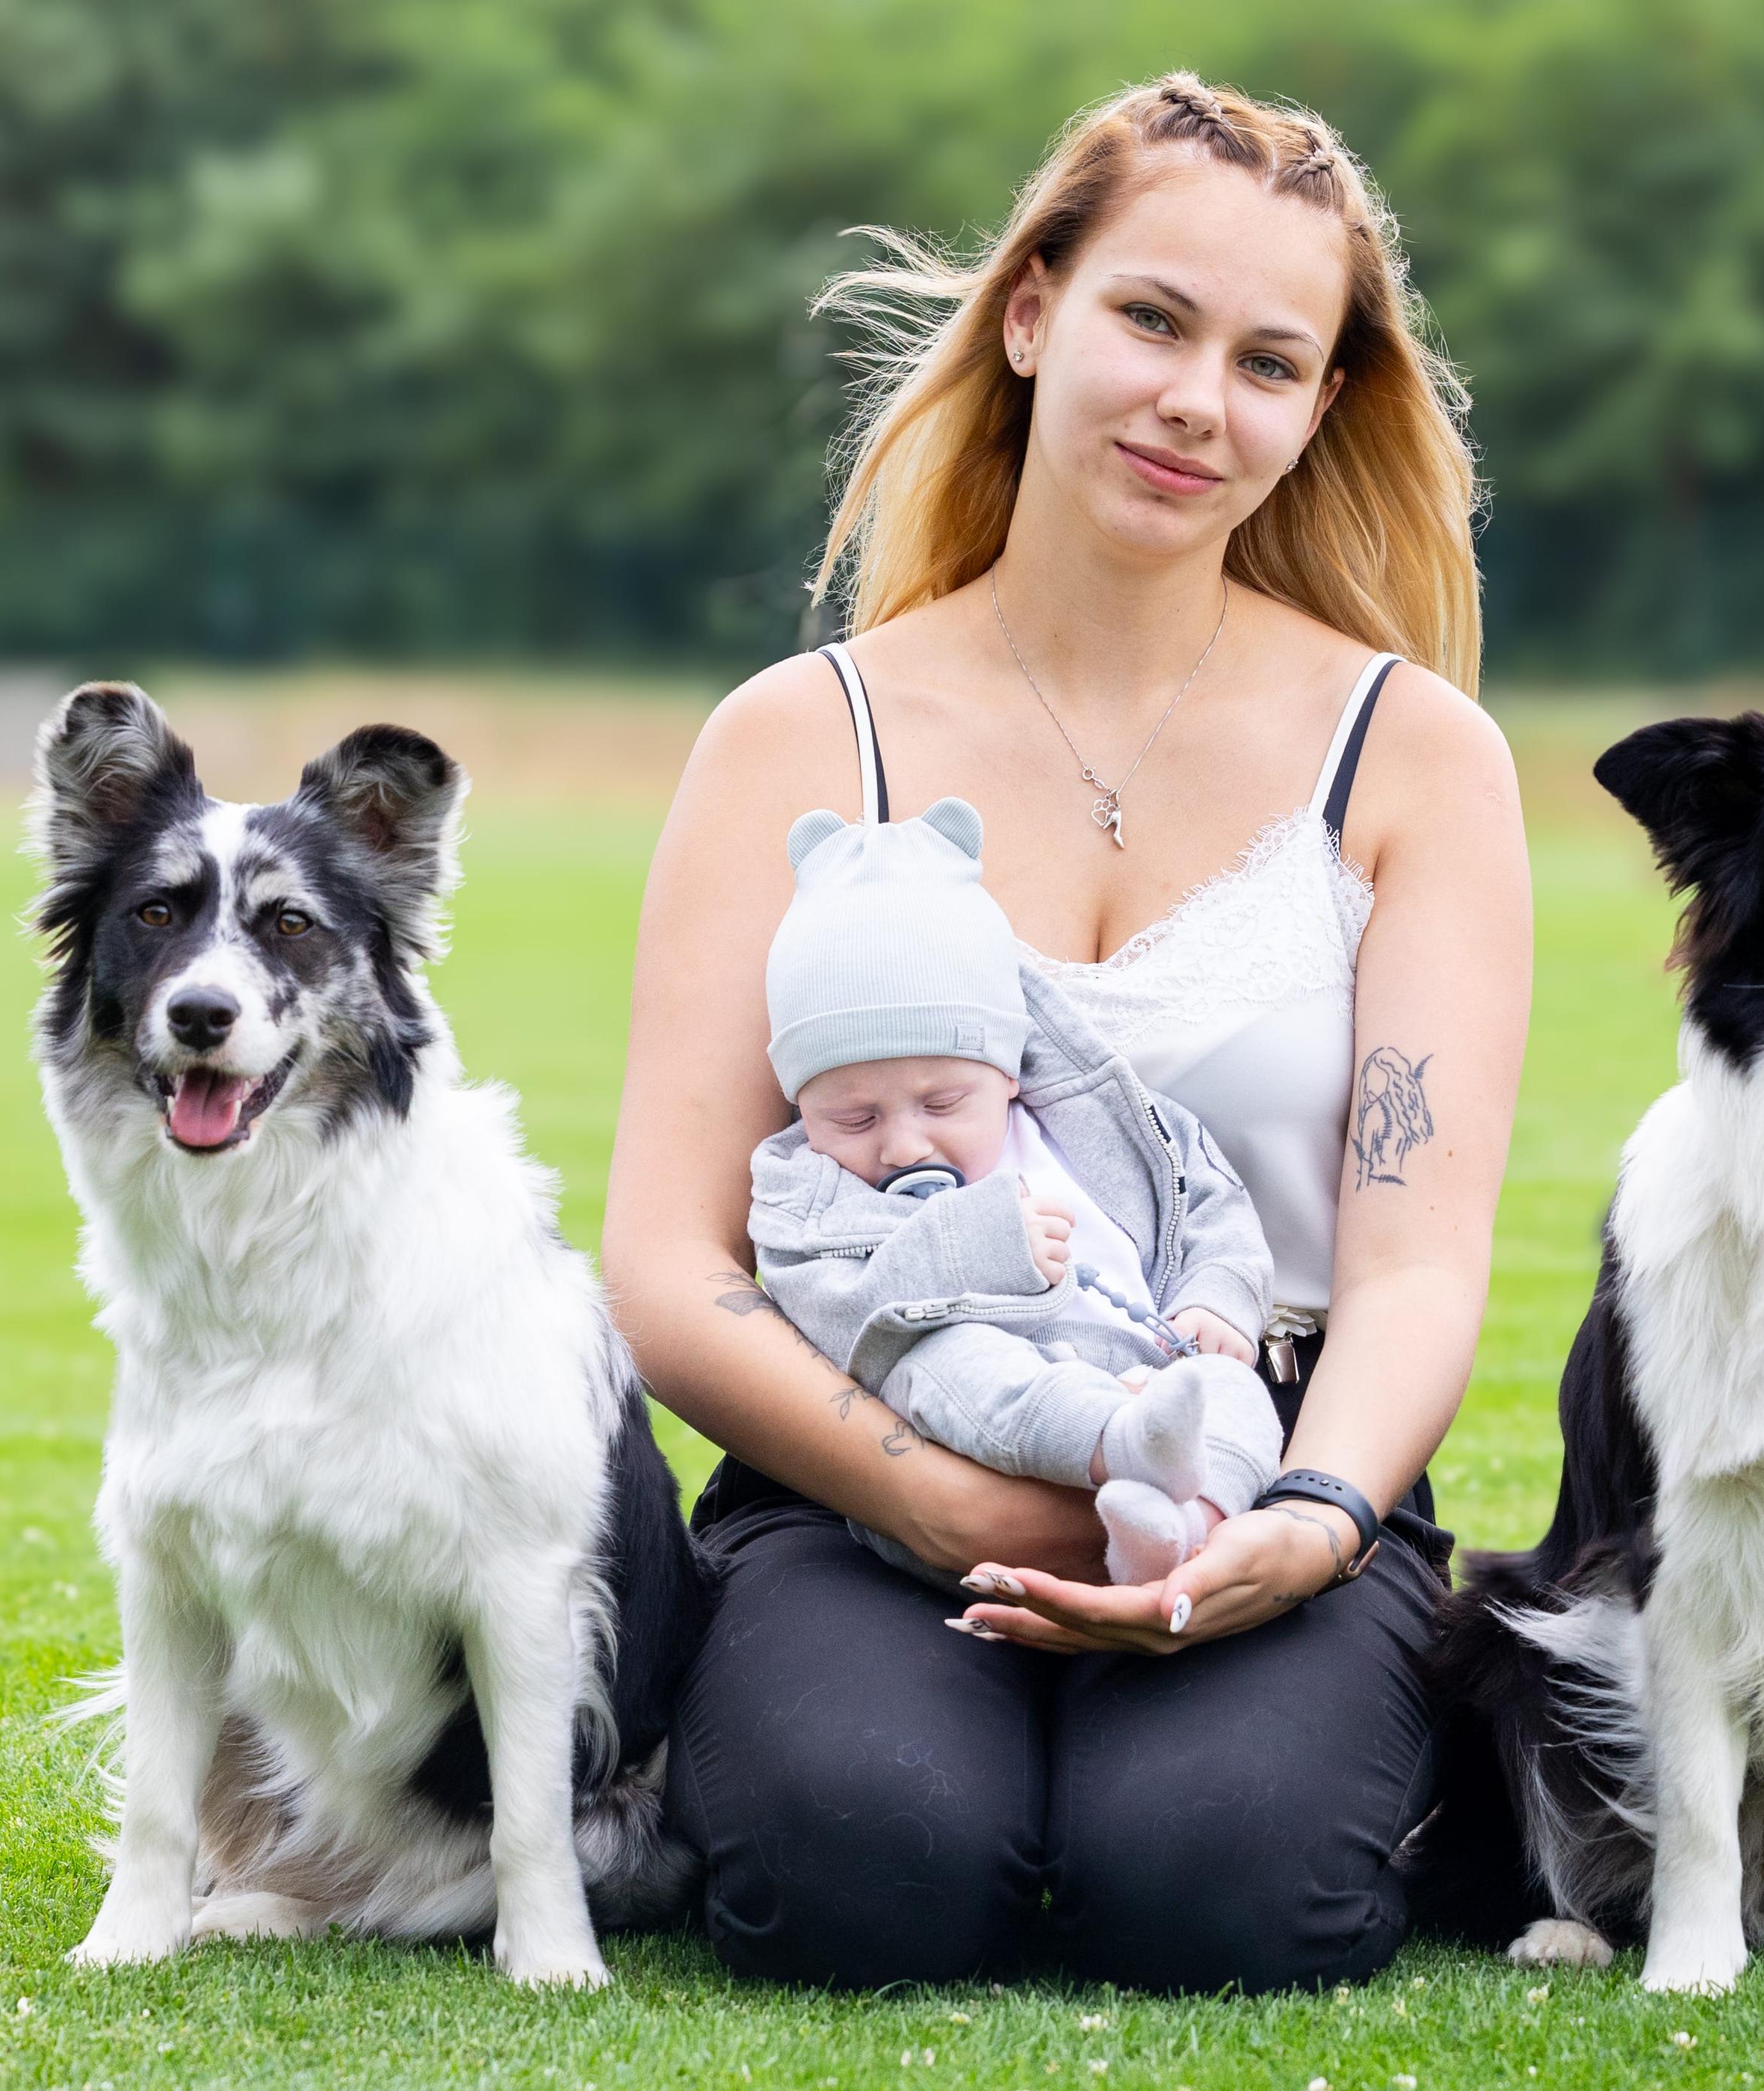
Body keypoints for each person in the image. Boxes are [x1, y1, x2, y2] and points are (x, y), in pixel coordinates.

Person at [604, 70, 1532, 1990]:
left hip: (1252, 1458)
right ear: (1032, 314)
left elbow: (1417, 1262)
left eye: (1272, 361)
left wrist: (1313, 1513)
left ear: (1321, 409)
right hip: (862, 1449)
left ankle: (1264, 1754)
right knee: (861, 1864)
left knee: (1224, 1884)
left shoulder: (1415, 759)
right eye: (1152, 319)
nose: (1201, 400)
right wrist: (936, 1496)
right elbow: (666, 1264)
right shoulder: (797, 739)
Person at [750, 792, 1284, 1586]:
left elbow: (1208, 1197)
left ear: (1007, 1068)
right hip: (968, 1448)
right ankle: (1125, 1446)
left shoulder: (1096, 1121)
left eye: (941, 1103)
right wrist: (979, 1246)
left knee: (1233, 1393)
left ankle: (1179, 1530)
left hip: (1152, 1369)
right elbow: (834, 1312)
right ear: (801, 1103)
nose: (903, 1142)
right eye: (853, 1115)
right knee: (950, 1362)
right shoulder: (809, 1189)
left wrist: (1218, 1295)